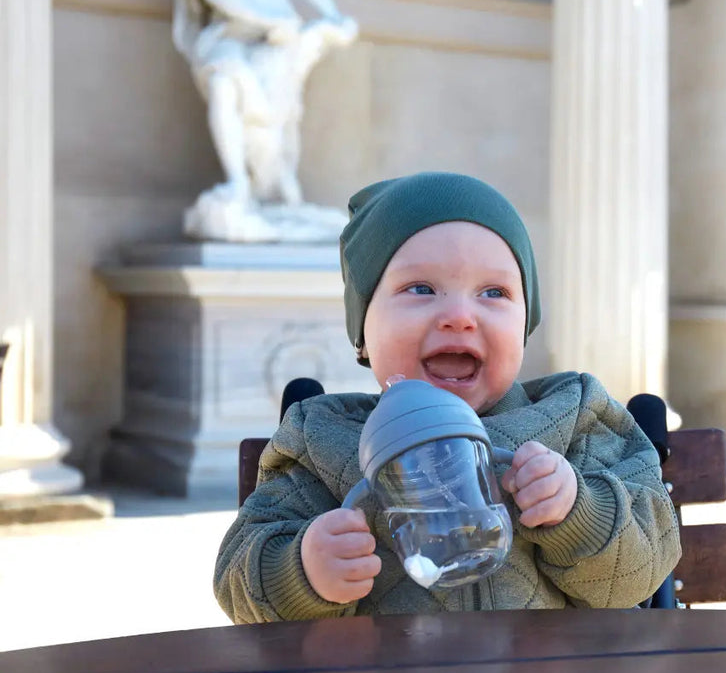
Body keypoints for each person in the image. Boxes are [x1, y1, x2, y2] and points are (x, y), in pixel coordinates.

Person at [214, 172, 682, 620]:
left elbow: (645, 568)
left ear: (525, 325)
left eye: (493, 292)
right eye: (420, 288)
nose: (459, 316)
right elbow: (238, 580)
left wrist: (579, 510)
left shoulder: (574, 418)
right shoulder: (321, 439)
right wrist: (303, 570)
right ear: (362, 336)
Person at [172, 0, 358, 233]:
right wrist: (272, 21)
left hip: (275, 37)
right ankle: (237, 183)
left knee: (274, 123)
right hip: (230, 34)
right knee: (223, 83)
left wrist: (332, 13)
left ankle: (274, 187)